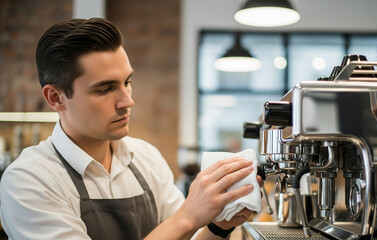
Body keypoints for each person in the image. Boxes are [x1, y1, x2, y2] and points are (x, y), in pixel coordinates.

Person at [0, 18, 261, 240]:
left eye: (127, 82)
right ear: (56, 98)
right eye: (105, 89)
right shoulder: (28, 181)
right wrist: (188, 216)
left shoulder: (145, 157)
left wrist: (219, 226)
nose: (128, 101)